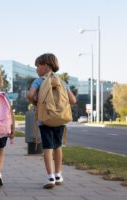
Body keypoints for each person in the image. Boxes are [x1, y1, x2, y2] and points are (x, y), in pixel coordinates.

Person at [27, 53, 76, 189]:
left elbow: (30, 95)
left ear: (46, 66)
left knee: (47, 148)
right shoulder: (62, 82)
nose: (36, 69)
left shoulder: (38, 81)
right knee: (58, 147)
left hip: (45, 119)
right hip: (60, 120)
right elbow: (73, 100)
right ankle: (59, 175)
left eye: (38, 66)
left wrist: (37, 102)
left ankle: (50, 178)